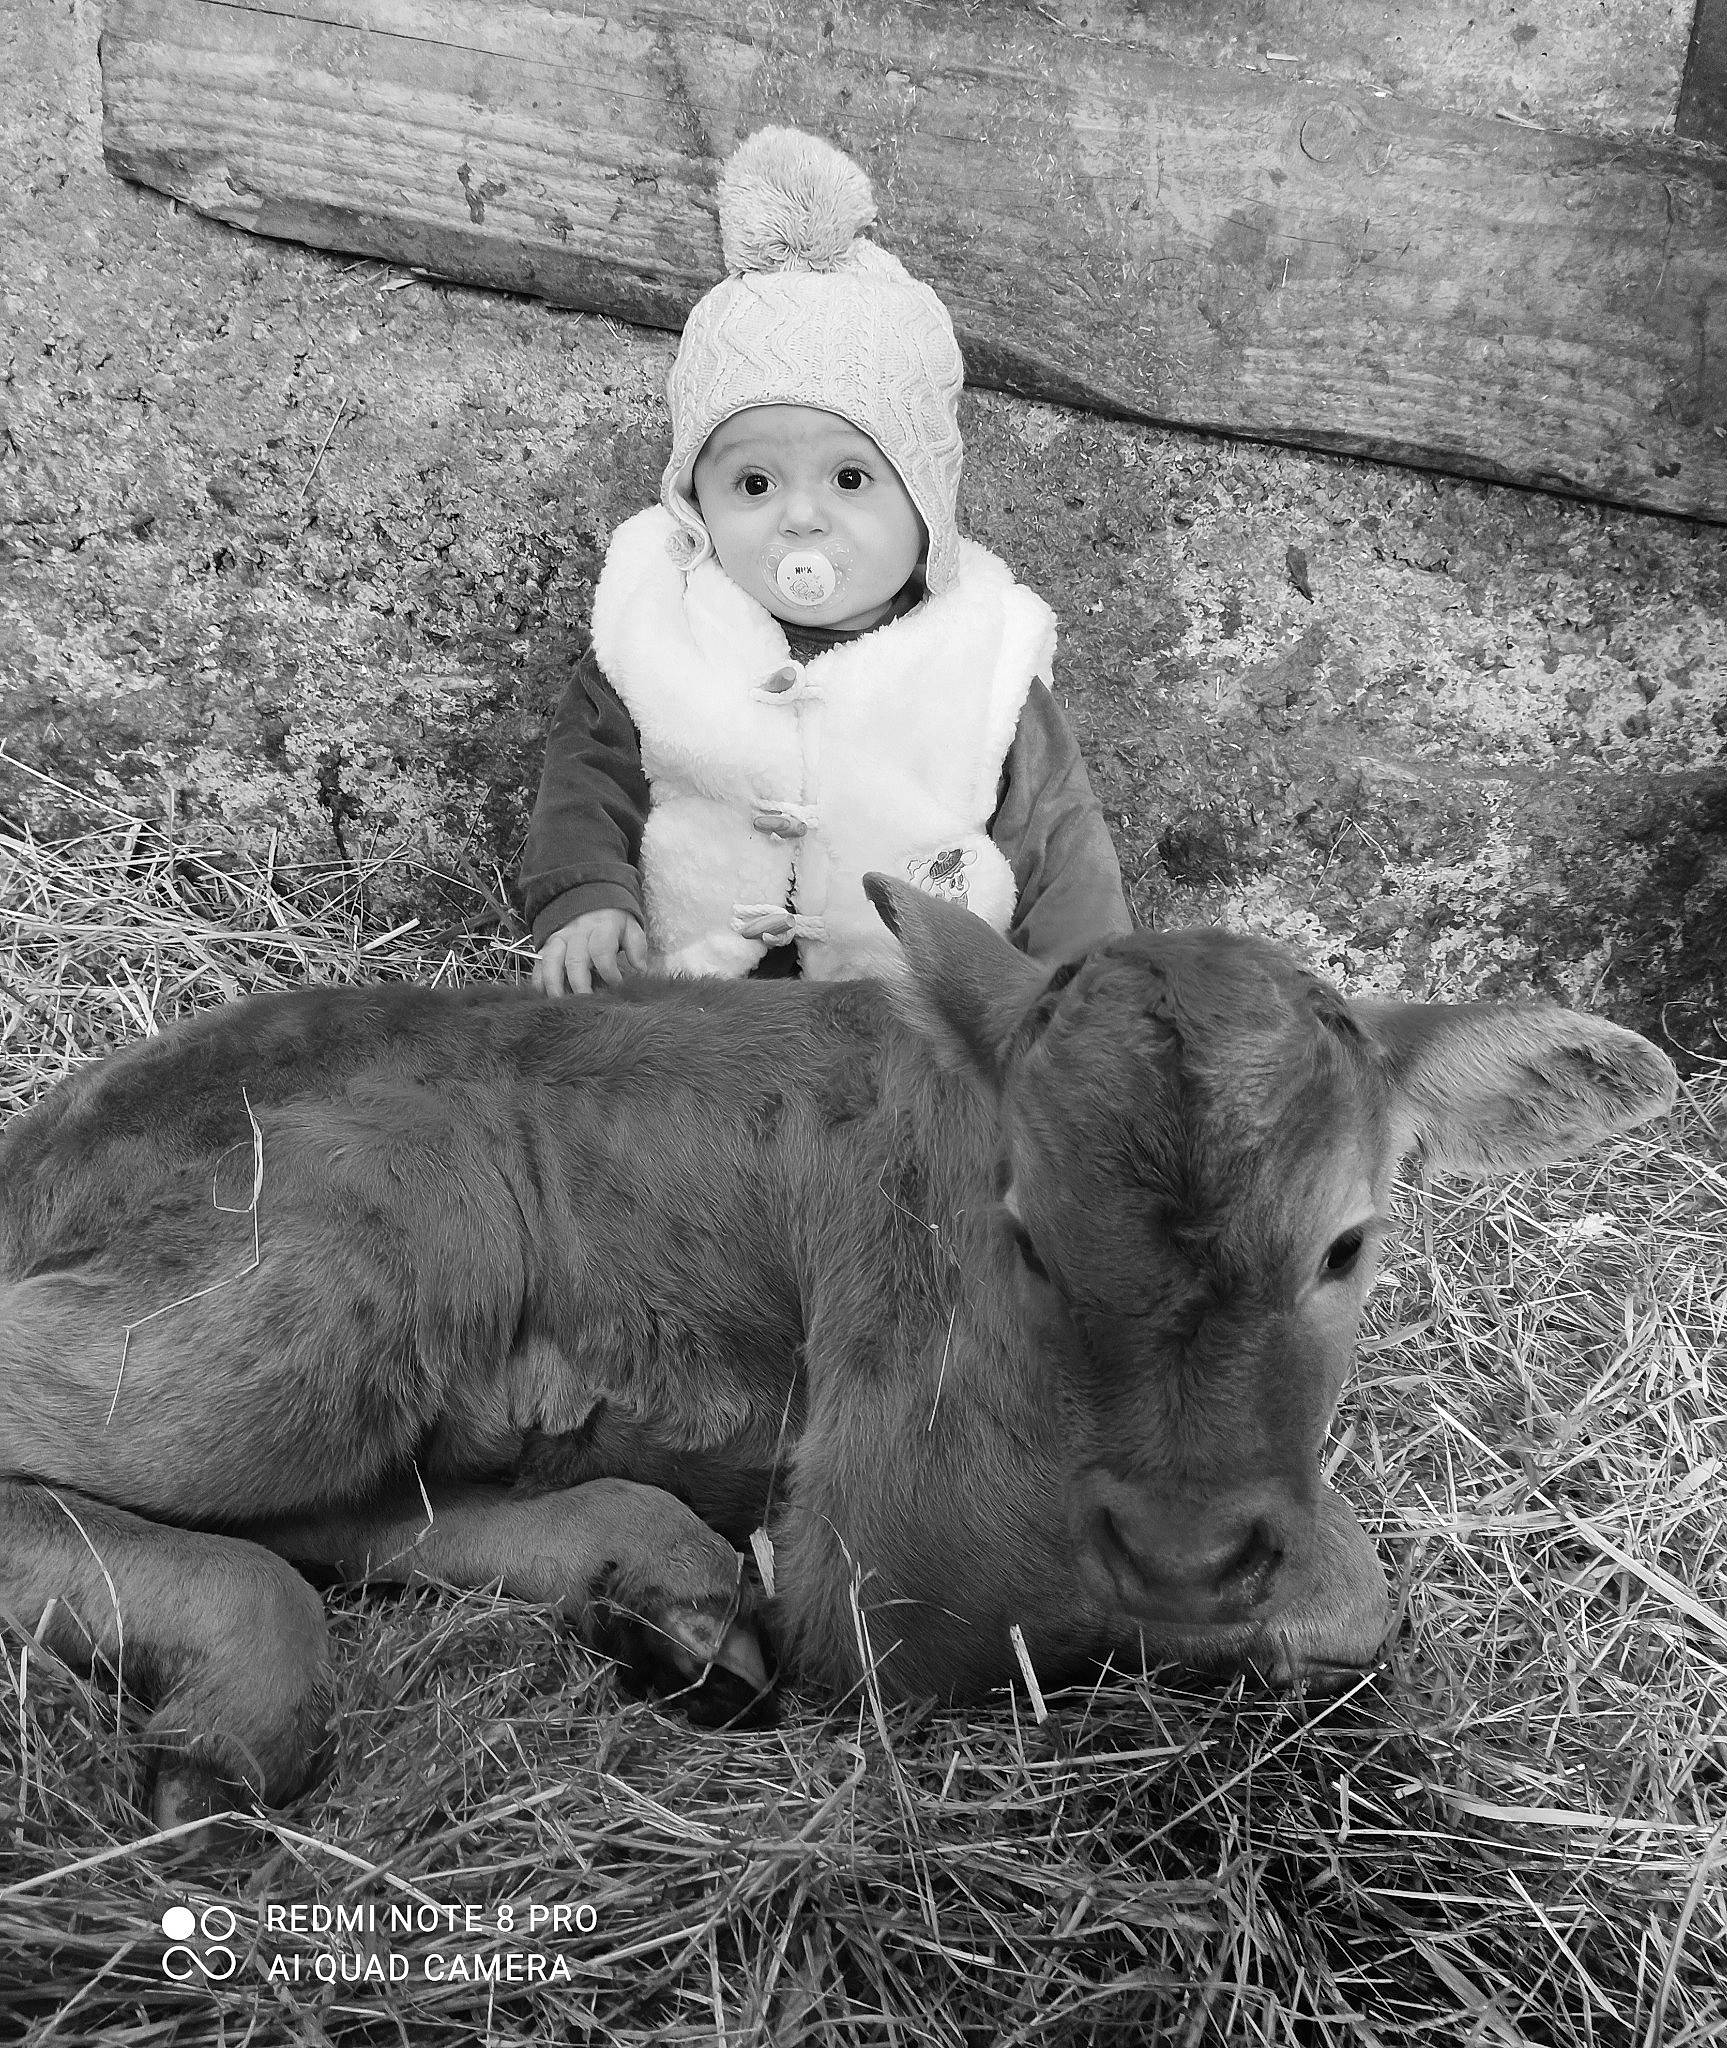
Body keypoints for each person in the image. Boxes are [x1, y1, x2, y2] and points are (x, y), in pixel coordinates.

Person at [520, 125, 1133, 995]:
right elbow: (587, 784)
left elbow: (1061, 847)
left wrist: (1078, 992)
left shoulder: (980, 657)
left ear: (926, 500)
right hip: (694, 1001)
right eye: (753, 482)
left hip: (916, 1022)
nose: (799, 518)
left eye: (850, 477)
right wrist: (587, 899)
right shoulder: (659, 629)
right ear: (694, 501)